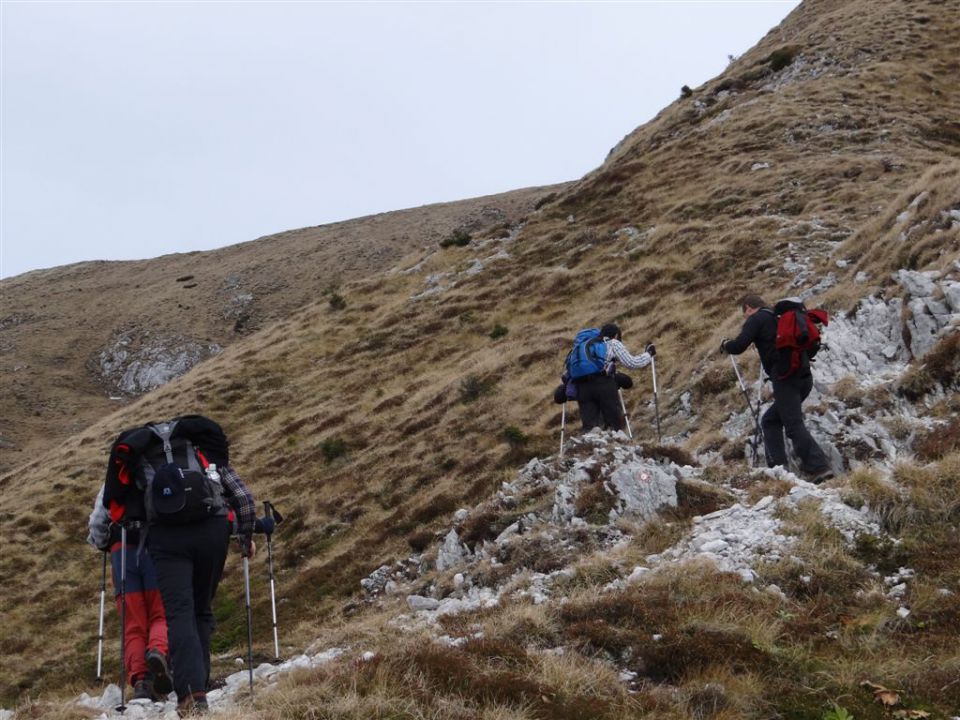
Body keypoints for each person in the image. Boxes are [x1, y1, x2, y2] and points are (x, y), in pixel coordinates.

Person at [102, 417, 256, 716]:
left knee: (179, 614)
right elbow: (243, 498)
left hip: (166, 539)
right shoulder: (201, 453)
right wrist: (246, 535)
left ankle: (191, 696)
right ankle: (203, 680)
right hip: (211, 531)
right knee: (202, 608)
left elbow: (117, 509)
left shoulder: (142, 458)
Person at [721, 294, 833, 483]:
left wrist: (725, 345)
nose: (746, 318)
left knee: (793, 424)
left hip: (785, 377)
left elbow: (739, 345)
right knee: (770, 421)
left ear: (748, 308)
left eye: (745, 314)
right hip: (804, 376)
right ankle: (779, 471)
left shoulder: (757, 318)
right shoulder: (778, 317)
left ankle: (819, 467)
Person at [87, 485, 172, 701]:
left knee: (133, 621)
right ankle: (157, 652)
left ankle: (141, 681)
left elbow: (98, 521)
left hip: (122, 548)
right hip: (157, 544)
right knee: (160, 613)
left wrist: (102, 542)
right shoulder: (159, 467)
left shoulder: (116, 476)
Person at [573, 323, 655, 432]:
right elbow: (632, 363)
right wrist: (649, 354)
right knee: (614, 423)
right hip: (603, 384)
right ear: (616, 335)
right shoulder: (612, 343)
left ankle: (590, 446)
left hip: (581, 387)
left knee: (589, 428)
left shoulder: (584, 346)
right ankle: (616, 444)